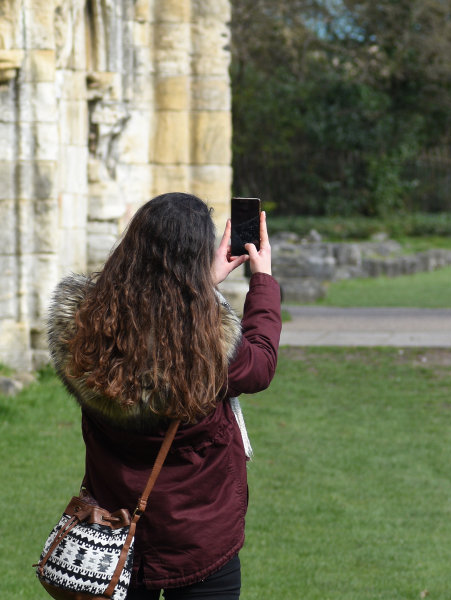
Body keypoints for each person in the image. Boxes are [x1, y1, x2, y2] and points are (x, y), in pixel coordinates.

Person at [47, 192, 280, 599]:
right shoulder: (207, 345)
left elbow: (149, 322)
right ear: (195, 260)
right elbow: (260, 363)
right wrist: (261, 280)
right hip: (200, 538)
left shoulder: (87, 329)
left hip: (114, 534)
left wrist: (197, 285)